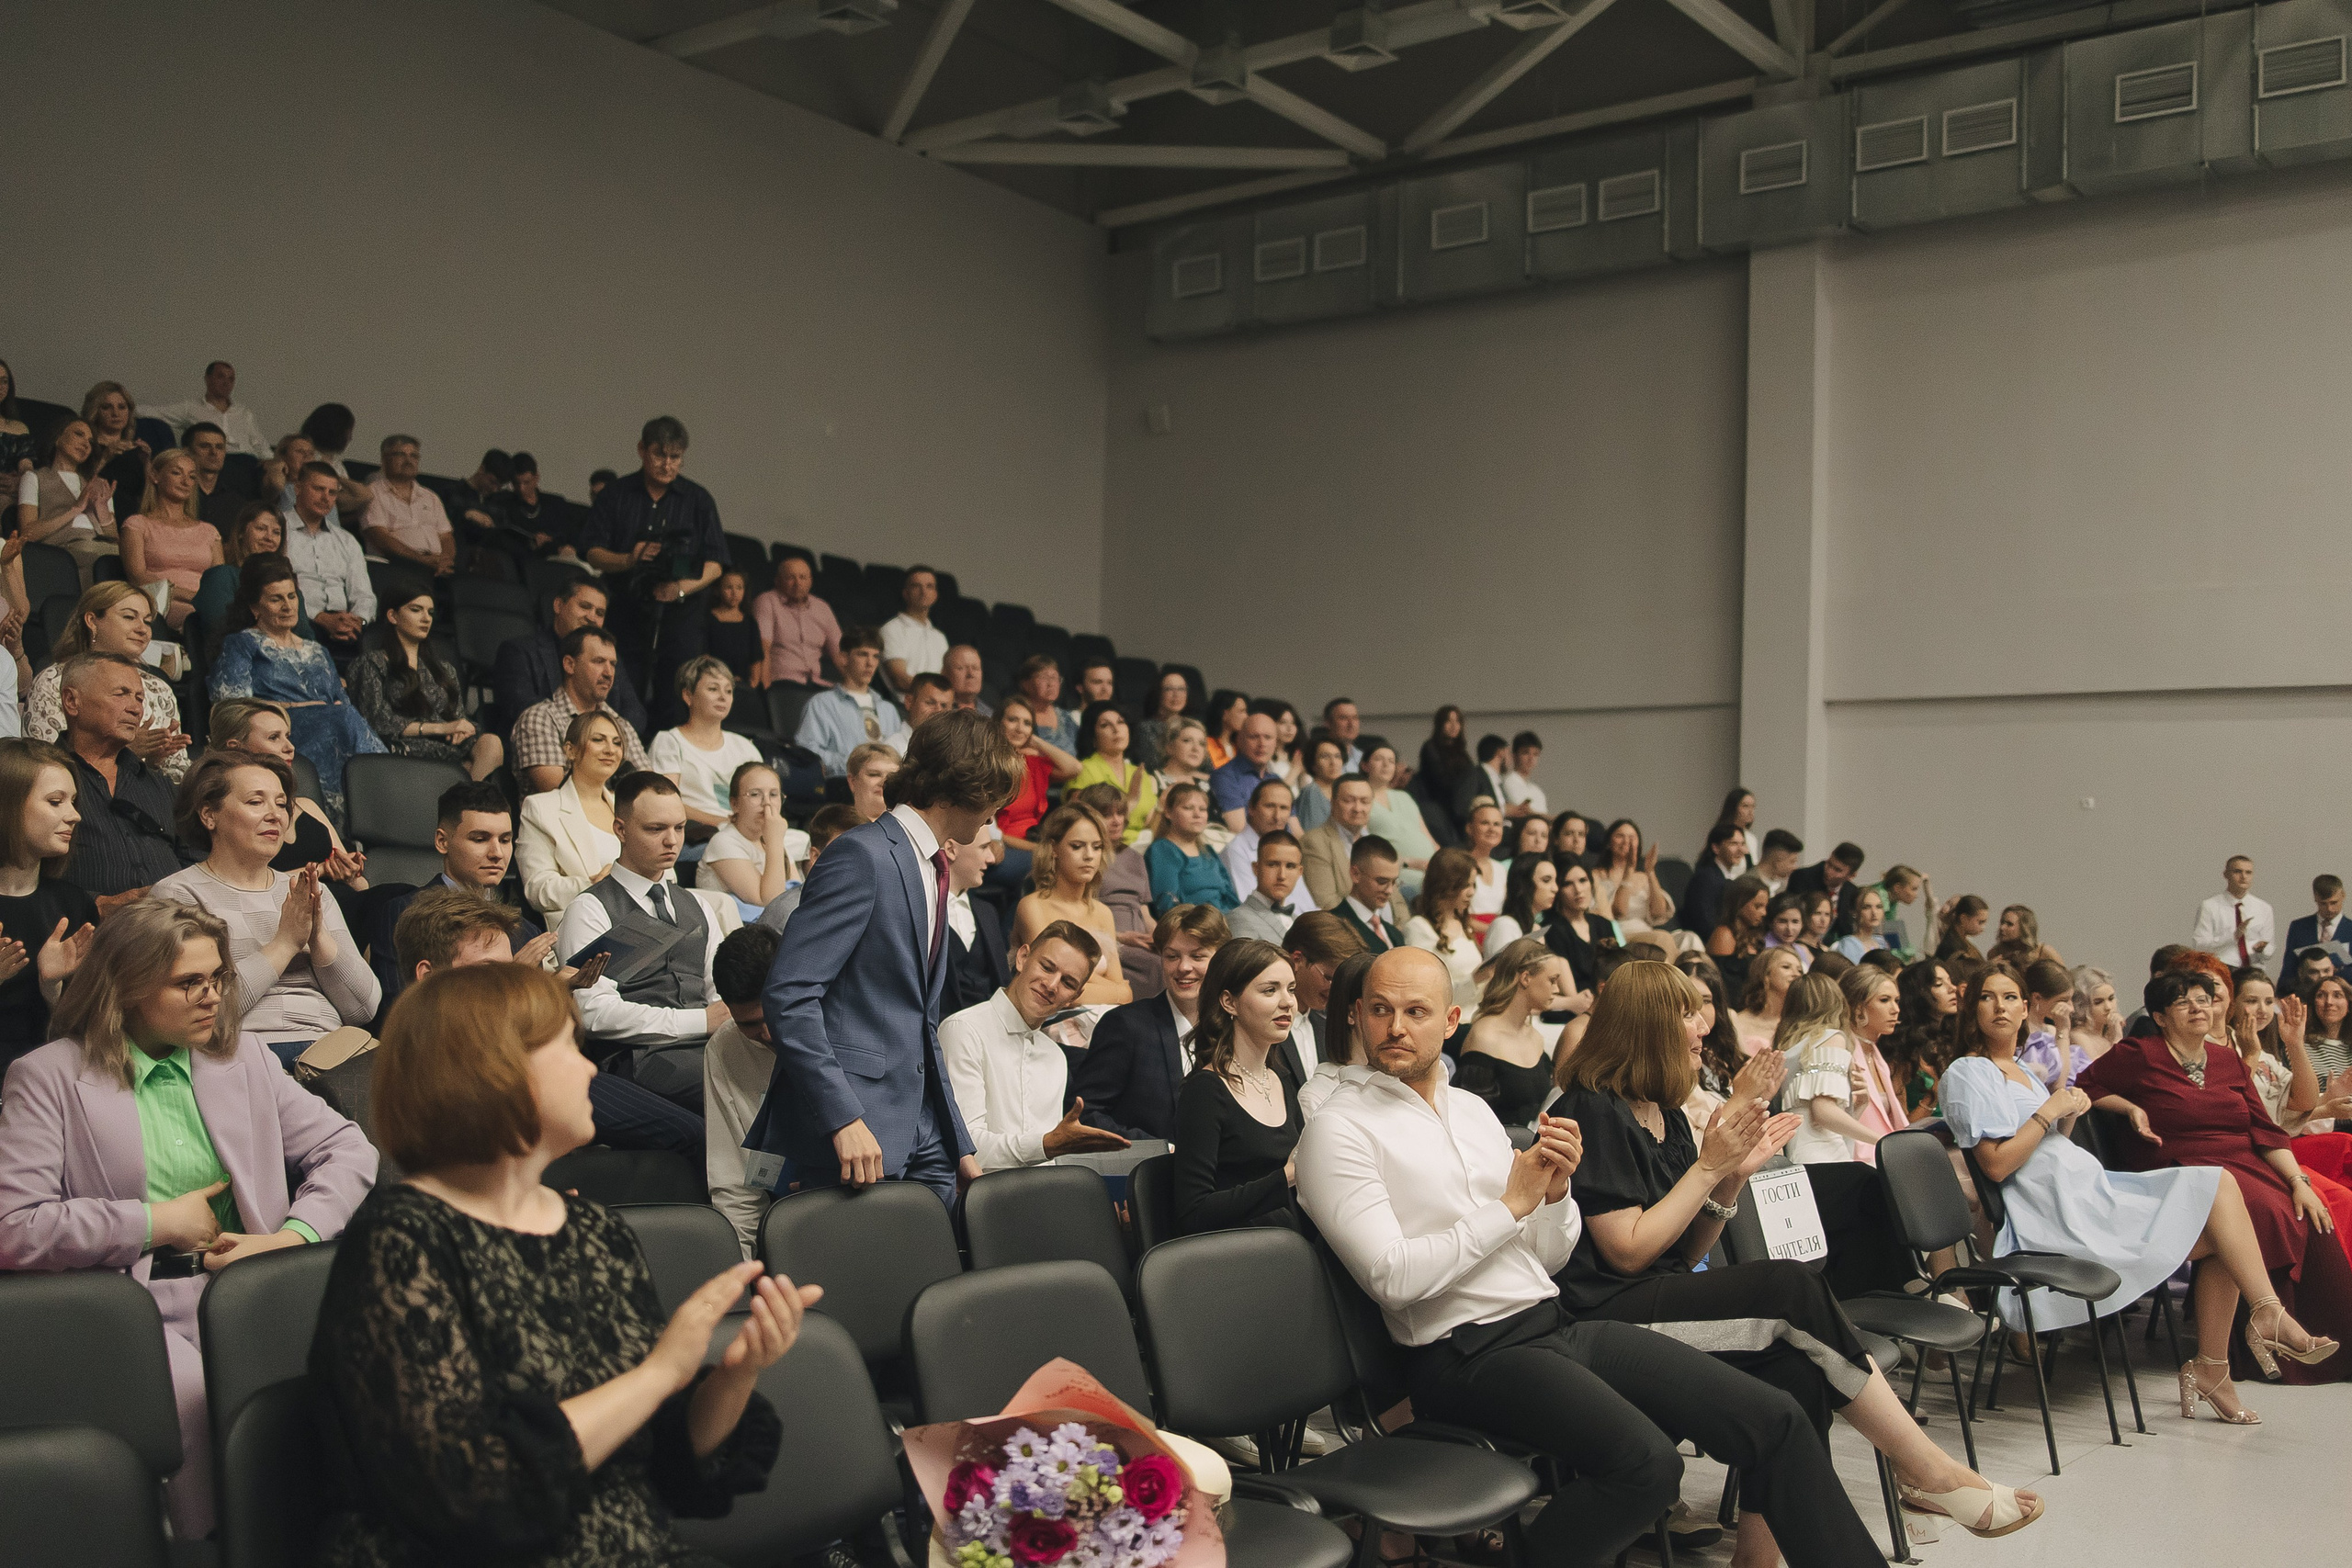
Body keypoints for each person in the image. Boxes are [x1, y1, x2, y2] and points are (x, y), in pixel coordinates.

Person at [1299, 946, 1899, 1568]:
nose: (1395, 1026)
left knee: (1773, 1416)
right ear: (1356, 1017)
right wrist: (1510, 1205)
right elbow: (1393, 1279)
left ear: (1450, 1020)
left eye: (1415, 1010)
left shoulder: (1470, 1111)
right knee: (1648, 1466)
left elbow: (1549, 1255)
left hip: (1550, 1322)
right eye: (1379, 1009)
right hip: (1461, 1351)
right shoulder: (1338, 1128)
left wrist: (1554, 1198)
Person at [310, 963, 802, 1568]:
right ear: (495, 1070)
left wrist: (735, 1373)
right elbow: (470, 1496)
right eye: (570, 1047)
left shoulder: (595, 1230)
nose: (592, 1067)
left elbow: (659, 1462)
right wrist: (660, 1371)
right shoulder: (398, 1242)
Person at [1546, 959, 2041, 1546]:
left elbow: (1686, 1250)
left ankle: (1760, 1556)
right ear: (1650, 1025)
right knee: (1791, 1288)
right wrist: (1709, 1168)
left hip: (1658, 1295)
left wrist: (1731, 1176)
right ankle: (1928, 1470)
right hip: (1605, 1314)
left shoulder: (1664, 1111)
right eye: (1687, 1013)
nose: (1703, 1025)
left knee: (1797, 1372)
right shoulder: (1594, 1109)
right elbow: (1627, 1253)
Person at [0, 897, 375, 1540]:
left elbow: (349, 1148)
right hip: (132, 1303)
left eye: (218, 978)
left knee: (356, 1375)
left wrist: (292, 1236)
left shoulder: (245, 1060)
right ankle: (214, 1547)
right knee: (203, 1402)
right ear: (128, 986)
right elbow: (15, 1224)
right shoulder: (46, 1077)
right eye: (188, 982)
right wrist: (152, 1221)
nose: (212, 997)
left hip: (251, 1283)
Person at [1942, 967, 2336, 1416]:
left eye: (2010, 997)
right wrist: (2050, 1111)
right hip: (2057, 1212)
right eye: (1988, 998)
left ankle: (2224, 1356)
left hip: (2083, 1187)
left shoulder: (2022, 1073)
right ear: (1971, 1009)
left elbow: (2050, 1149)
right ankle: (2256, 1326)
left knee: (2222, 1194)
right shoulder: (1968, 1072)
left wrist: (2066, 1115)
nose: (2000, 1007)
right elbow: (1995, 1166)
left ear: (2025, 1009)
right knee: (2223, 1203)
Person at [746, 709, 1018, 1206]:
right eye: (994, 802)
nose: (992, 819)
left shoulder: (938, 865)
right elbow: (789, 994)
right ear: (970, 786)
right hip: (854, 1130)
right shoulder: (862, 854)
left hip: (925, 1129)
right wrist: (843, 1117)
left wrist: (957, 1140)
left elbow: (920, 1020)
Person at [2076, 964, 2349, 1384]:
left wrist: (2300, 1182)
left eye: (2203, 998)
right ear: (2162, 1016)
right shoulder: (2141, 1053)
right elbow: (2084, 1086)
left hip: (2242, 1162)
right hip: (2179, 1168)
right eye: (2182, 1001)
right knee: (2256, 1210)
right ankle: (2260, 1329)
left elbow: (2264, 1128)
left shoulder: (2226, 1060)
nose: (2197, 1007)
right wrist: (2129, 1107)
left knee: (2309, 1212)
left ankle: (2227, 1359)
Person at [153, 752, 381, 1065]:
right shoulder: (179, 894)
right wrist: (285, 944)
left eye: (282, 804)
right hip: (242, 1053)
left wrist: (317, 937)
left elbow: (362, 1008)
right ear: (209, 815)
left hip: (332, 1051)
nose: (276, 815)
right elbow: (202, 1010)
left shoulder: (313, 893)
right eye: (255, 802)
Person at [554, 772, 741, 1112]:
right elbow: (592, 1012)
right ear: (621, 830)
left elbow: (720, 991)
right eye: (656, 829)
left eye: (680, 828)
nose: (672, 841)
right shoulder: (590, 907)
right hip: (637, 1060)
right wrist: (700, 1021)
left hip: (707, 1049)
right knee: (739, 1089)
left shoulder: (697, 905)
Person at [941, 920, 1131, 1172]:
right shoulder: (964, 1030)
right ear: (1022, 957)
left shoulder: (1055, 1056)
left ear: (1074, 997)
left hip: (1043, 1198)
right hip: (980, 1204)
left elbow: (1049, 1160)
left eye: (1068, 982)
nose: (1052, 985)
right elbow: (968, 1146)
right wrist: (1047, 1144)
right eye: (1047, 967)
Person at [209, 554, 387, 823]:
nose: (287, 606)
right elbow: (232, 705)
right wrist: (298, 708)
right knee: (342, 720)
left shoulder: (318, 650)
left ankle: (377, 809)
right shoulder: (242, 643)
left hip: (334, 729)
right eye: (275, 599)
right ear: (255, 607)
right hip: (282, 734)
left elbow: (342, 704)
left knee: (347, 718)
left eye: (292, 597)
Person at [577, 415, 728, 705]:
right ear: (642, 450)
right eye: (659, 454)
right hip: (625, 608)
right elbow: (592, 552)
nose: (667, 464)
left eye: (675, 457)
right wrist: (629, 558)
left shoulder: (698, 500)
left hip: (681, 616)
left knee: (676, 697)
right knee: (619, 694)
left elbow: (716, 563)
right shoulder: (616, 494)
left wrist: (679, 588)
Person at [368, 781, 548, 1003]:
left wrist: (557, 993)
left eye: (505, 840)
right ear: (442, 841)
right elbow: (398, 1013)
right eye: (480, 839)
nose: (497, 853)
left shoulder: (528, 931)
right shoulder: (402, 913)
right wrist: (511, 979)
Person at [1173, 938, 1306, 1234]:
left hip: (1291, 1247)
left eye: (1291, 989)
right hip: (1237, 1259)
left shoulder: (1280, 1080)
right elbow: (1193, 1213)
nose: (1288, 1002)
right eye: (1270, 990)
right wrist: (1285, 1177)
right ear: (1229, 1002)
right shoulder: (1205, 1091)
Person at [1072, 903, 1228, 1141]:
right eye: (1172, 956)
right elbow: (1086, 1114)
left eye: (1197, 956)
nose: (1183, 967)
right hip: (1150, 1172)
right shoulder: (1125, 1025)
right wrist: (1159, 1150)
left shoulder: (1235, 1028)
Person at [57, 653, 188, 908]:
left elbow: (197, 858)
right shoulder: (39, 778)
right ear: (72, 701)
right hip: (84, 932)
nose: (136, 708)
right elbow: (20, 868)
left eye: (139, 698)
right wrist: (95, 904)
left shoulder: (160, 785)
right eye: (121, 694)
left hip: (175, 928)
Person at [26, 580, 192, 781]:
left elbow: (178, 777)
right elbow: (39, 767)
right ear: (92, 621)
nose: (143, 629)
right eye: (129, 617)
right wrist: (126, 753)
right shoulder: (54, 681)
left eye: (147, 621)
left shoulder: (159, 689)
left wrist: (152, 764)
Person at [0, 739, 98, 1076]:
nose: (74, 816)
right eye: (55, 802)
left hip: (51, 1082)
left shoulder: (71, 903)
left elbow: (88, 1032)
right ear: (7, 806)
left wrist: (52, 988)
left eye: (72, 801)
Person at [212, 697, 371, 897]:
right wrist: (320, 870)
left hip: (345, 906)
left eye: (287, 736)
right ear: (235, 748)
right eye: (274, 737)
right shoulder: (226, 811)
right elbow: (245, 886)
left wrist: (350, 874)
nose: (290, 747)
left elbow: (361, 886)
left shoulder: (307, 806)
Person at [349, 584, 503, 780]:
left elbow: (456, 717)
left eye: (430, 612)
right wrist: (440, 728)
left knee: (491, 742)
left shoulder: (444, 669)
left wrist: (463, 729)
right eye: (416, 610)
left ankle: (468, 799)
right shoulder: (372, 663)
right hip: (403, 750)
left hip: (449, 749)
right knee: (461, 768)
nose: (426, 618)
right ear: (392, 616)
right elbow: (376, 721)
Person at [493, 574, 652, 742]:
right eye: (585, 607)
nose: (592, 617)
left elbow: (636, 714)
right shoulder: (519, 651)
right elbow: (524, 708)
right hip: (538, 747)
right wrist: (590, 734)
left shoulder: (608, 658)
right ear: (559, 605)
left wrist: (603, 738)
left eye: (599, 613)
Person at [705, 924, 785, 1254]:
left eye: (774, 1017)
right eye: (749, 1024)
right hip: (788, 1210)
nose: (767, 1034)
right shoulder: (724, 1048)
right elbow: (736, 1186)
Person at [1011, 802, 1134, 1008]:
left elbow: (1126, 994)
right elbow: (1056, 988)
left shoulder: (1102, 913)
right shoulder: (1032, 907)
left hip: (1099, 1019)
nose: (1089, 855)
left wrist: (1119, 991)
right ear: (1054, 849)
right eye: (1077, 846)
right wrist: (1116, 991)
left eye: (1097, 847)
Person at [512, 626, 650, 795]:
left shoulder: (621, 724)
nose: (609, 673)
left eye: (612, 664)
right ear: (570, 665)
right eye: (599, 661)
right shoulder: (540, 717)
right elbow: (558, 794)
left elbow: (648, 788)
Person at [518, 712, 628, 918]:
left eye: (617, 743)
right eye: (598, 740)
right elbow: (538, 889)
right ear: (570, 750)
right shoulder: (541, 808)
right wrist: (595, 886)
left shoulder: (628, 809)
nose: (610, 750)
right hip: (582, 925)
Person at [1456, 938, 1573, 1128]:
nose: (1557, 989)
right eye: (1552, 981)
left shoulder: (1535, 1036)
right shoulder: (1484, 1037)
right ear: (1525, 978)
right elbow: (1470, 1120)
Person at [647, 656, 763, 832]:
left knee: (802, 841)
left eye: (729, 691)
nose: (723, 697)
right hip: (698, 833)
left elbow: (765, 799)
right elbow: (667, 803)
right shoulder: (669, 742)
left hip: (745, 831)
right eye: (713, 689)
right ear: (688, 695)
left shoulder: (745, 747)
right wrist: (726, 823)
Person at [119, 447, 223, 633]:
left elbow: (219, 580)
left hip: (205, 603)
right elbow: (138, 576)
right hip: (163, 603)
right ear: (155, 476)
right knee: (204, 617)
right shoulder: (138, 524)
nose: (185, 481)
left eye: (192, 477)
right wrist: (195, 597)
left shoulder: (209, 531)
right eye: (177, 473)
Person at [278, 462, 375, 658]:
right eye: (319, 489)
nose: (326, 498)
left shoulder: (346, 540)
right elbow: (275, 589)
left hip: (347, 627)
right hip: (299, 622)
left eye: (332, 493)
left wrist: (358, 621)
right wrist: (320, 617)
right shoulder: (277, 529)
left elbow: (364, 595)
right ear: (298, 489)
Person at [696, 761, 805, 921]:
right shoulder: (723, 842)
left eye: (773, 794)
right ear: (735, 804)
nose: (766, 802)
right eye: (755, 794)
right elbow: (770, 902)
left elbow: (795, 896)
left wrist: (774, 840)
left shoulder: (773, 837)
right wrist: (775, 840)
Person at [793, 625, 902, 778]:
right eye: (863, 655)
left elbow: (898, 754)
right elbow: (807, 750)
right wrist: (853, 764)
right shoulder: (822, 704)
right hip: (842, 784)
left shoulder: (888, 709)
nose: (870, 663)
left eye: (875, 656)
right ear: (844, 658)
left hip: (886, 787)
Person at [358, 434, 457, 581]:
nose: (408, 460)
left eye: (414, 456)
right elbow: (379, 537)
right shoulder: (372, 493)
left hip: (434, 569)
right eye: (401, 455)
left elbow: (446, 536)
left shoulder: (430, 497)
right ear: (385, 459)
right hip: (394, 567)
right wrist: (420, 560)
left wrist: (445, 561)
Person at [1402, 846, 1482, 1011]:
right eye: (1466, 885)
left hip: (1475, 1015)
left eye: (1474, 885)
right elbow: (1429, 993)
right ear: (1446, 885)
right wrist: (1477, 979)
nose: (1472, 892)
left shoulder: (1462, 923)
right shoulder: (1418, 927)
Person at [1070, 698, 1157, 847]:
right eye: (1105, 725)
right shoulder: (1084, 769)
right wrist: (1130, 802)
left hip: (1144, 849)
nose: (1116, 730)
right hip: (1104, 849)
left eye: (1121, 722)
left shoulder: (1139, 772)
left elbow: (1151, 823)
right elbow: (1080, 823)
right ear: (1093, 738)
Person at [1146, 782, 1238, 915]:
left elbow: (1231, 899)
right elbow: (1167, 905)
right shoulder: (1162, 850)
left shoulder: (1209, 852)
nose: (1197, 814)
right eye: (1188, 808)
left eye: (1203, 809)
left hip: (1226, 922)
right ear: (1168, 812)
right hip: (1194, 927)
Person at [751, 553, 841, 688]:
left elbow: (840, 652)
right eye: (790, 578)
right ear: (778, 581)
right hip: (782, 683)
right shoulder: (767, 601)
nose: (798, 583)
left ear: (810, 581)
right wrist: (765, 690)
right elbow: (763, 648)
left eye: (803, 577)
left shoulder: (822, 607)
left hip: (815, 682)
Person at [1362, 737, 1436, 888]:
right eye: (1379, 759)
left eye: (1391, 761)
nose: (1386, 765)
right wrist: (1409, 862)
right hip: (1397, 877)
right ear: (1365, 765)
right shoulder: (1360, 800)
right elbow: (1361, 847)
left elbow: (1428, 838)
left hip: (1430, 874)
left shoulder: (1404, 796)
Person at [1544, 860, 1623, 998]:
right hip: (1575, 1005)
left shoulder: (1603, 924)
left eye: (1583, 880)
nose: (1578, 890)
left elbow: (1616, 969)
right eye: (1568, 884)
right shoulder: (1552, 929)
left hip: (1611, 999)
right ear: (1558, 890)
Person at [1592, 818, 1678, 945]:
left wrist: (1650, 872)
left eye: (1632, 837)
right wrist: (1629, 871)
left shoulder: (1643, 877)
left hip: (1648, 931)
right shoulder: (1596, 875)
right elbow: (1619, 912)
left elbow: (1659, 913)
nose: (1626, 841)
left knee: (1690, 938)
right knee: (1662, 939)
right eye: (1620, 836)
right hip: (1620, 934)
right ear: (1609, 843)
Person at [1227, 828, 1309, 944]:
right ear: (1256, 868)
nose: (1282, 875)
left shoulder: (1300, 923)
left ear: (1299, 872)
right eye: (1272, 865)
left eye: (1290, 866)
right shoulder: (1238, 918)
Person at [2194, 854, 2276, 970]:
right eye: (2238, 872)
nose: (2243, 877)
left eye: (2248, 872)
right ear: (2226, 875)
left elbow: (2270, 948)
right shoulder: (2209, 906)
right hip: (2221, 968)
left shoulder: (2264, 908)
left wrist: (2262, 949)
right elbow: (2200, 946)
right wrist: (2233, 937)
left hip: (2254, 969)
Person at [1207, 709, 1283, 835]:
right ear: (1239, 740)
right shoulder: (1224, 777)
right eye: (1254, 737)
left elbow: (1296, 830)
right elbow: (1240, 831)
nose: (1262, 744)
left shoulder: (1276, 780)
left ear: (1275, 743)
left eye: (1268, 737)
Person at [1330, 835, 1406, 954]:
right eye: (1382, 882)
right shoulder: (1332, 926)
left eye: (1394, 882)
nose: (1389, 890)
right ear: (1355, 874)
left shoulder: (1395, 934)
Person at [878, 565, 945, 696]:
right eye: (916, 586)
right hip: (905, 707)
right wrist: (935, 695)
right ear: (905, 593)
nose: (923, 592)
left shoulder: (940, 637)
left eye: (929, 586)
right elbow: (900, 679)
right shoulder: (891, 629)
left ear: (935, 595)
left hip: (937, 709)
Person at [1479, 851, 1555, 959]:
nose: (1555, 888)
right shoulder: (1505, 926)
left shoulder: (1536, 928)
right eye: (1546, 880)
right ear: (1524, 884)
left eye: (1555, 881)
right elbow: (1503, 974)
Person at [1681, 821, 1747, 946]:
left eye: (1742, 844)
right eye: (1733, 843)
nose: (1741, 850)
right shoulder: (1706, 878)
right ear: (1716, 848)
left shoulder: (1727, 877)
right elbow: (1704, 922)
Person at [180, 423, 254, 533]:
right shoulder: (177, 494)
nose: (214, 452)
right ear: (187, 451)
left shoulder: (237, 503)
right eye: (205, 446)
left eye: (219, 447)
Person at [1732, 946, 1804, 1058]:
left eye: (1800, 970)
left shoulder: (1800, 1023)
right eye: (1786, 967)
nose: (1796, 974)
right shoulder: (1738, 1021)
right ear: (1765, 974)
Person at [1705, 874, 1771, 996]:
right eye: (1758, 906)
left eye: (1765, 907)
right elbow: (1724, 985)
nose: (1764, 913)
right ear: (1739, 904)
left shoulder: (1755, 936)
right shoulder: (1724, 935)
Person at [2286, 873, 2351, 972]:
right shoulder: (2298, 927)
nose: (2329, 909)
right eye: (2323, 904)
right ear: (2315, 898)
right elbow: (2288, 971)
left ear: (2343, 895)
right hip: (2305, 986)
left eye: (2334, 903)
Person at [1016, 655, 1079, 757]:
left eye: (1054, 678)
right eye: (1043, 677)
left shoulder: (1066, 718)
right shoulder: (1018, 717)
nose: (1051, 684)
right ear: (1025, 684)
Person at [1135, 668, 1194, 771]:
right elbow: (1153, 765)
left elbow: (1206, 766)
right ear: (1158, 693)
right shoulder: (1146, 728)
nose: (1176, 695)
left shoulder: (1193, 727)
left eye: (1181, 689)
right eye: (1169, 689)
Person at [1292, 733, 1344, 834]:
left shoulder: (1341, 792)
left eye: (1337, 756)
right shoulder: (1312, 792)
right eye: (1325, 757)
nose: (1333, 762)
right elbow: (1311, 836)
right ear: (1313, 764)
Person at [1151, 714, 1212, 797]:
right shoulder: (1153, 780)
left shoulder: (1212, 784)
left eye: (1202, 744)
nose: (1196, 748)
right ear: (1169, 746)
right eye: (1187, 741)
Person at [842, 739, 900, 824]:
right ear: (852, 781)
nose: (884, 782)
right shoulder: (837, 828)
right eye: (874, 774)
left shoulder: (910, 827)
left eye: (892, 776)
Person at [1833, 885, 1892, 963]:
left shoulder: (1882, 943)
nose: (1874, 912)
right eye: (1866, 907)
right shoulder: (1849, 945)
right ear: (1854, 912)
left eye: (1879, 906)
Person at [1501, 730, 1548, 819]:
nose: (1531, 758)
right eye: (1525, 753)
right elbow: (1523, 812)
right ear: (1514, 756)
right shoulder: (1509, 781)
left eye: (1535, 754)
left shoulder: (1537, 791)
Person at [1202, 689, 1248, 770]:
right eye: (1241, 711)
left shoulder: (1240, 748)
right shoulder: (1205, 744)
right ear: (1225, 714)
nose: (1246, 717)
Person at [1936, 895, 1990, 961]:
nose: (1983, 928)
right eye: (1981, 922)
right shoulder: (1953, 948)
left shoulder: (1961, 941)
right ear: (1963, 919)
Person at [944, 643, 989, 715]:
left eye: (975, 668)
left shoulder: (990, 715)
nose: (970, 674)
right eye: (961, 668)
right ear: (945, 673)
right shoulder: (938, 711)